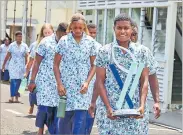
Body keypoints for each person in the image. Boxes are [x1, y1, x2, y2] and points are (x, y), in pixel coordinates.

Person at [93, 13, 153, 135]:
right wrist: (108, 108)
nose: (122, 31)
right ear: (114, 29)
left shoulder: (142, 52)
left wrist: (141, 106)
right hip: (110, 110)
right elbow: (100, 81)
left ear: (132, 30)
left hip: (134, 110)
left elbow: (144, 81)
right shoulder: (105, 52)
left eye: (126, 28)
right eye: (119, 28)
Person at [54, 13, 97, 134]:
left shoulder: (90, 42)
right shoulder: (64, 41)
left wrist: (87, 82)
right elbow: (56, 65)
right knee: (63, 125)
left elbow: (94, 65)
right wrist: (59, 84)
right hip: (65, 89)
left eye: (80, 28)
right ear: (70, 27)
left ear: (84, 27)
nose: (78, 30)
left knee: (79, 125)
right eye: (75, 27)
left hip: (82, 90)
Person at [28, 22, 68, 135]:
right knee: (44, 110)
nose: (64, 38)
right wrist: (32, 80)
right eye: (63, 35)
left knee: (57, 111)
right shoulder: (45, 42)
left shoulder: (68, 43)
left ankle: (53, 131)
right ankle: (40, 130)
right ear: (58, 32)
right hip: (45, 84)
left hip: (60, 83)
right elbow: (36, 63)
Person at [130, 21, 160, 134]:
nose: (132, 37)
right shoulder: (111, 52)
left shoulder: (143, 52)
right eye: (130, 34)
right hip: (116, 105)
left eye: (135, 34)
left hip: (138, 106)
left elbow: (152, 77)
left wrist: (156, 101)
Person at [24, 24, 54, 115]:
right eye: (45, 33)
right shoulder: (38, 44)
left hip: (52, 74)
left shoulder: (58, 43)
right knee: (34, 92)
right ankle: (32, 106)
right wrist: (27, 72)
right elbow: (32, 60)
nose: (47, 34)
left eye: (49, 32)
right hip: (38, 73)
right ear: (42, 33)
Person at [2, 31, 29, 103]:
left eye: (21, 36)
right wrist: (3, 65)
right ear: (16, 37)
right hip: (13, 65)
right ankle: (12, 97)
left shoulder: (25, 45)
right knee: (13, 81)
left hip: (21, 66)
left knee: (19, 82)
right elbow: (7, 56)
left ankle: (17, 97)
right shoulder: (12, 45)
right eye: (18, 36)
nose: (20, 38)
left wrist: (28, 65)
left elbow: (27, 56)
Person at [86, 23, 102, 134]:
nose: (92, 35)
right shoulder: (81, 45)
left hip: (94, 85)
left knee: (91, 112)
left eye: (94, 33)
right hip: (81, 84)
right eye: (90, 32)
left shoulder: (99, 47)